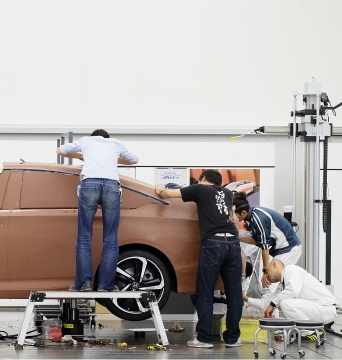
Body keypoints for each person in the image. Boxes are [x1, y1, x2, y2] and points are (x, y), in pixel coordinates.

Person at [155, 169, 242, 348]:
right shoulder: (227, 193)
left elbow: (168, 194)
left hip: (213, 243)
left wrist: (159, 188)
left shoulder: (200, 189)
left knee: (204, 292)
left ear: (203, 179)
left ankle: (204, 338)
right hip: (233, 243)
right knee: (234, 294)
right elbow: (231, 217)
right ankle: (233, 339)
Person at [56, 129, 138, 292]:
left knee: (84, 237)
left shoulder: (86, 141)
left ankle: (84, 283)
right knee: (110, 239)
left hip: (90, 184)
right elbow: (134, 160)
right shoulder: (116, 143)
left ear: (94, 137)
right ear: (107, 138)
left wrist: (83, 156)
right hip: (111, 186)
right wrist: (113, 158)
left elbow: (59, 150)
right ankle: (105, 286)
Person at [232, 192, 302, 288]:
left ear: (243, 212)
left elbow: (265, 247)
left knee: (269, 282)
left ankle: (271, 303)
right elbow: (257, 241)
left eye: (234, 215)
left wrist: (266, 271)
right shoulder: (253, 216)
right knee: (273, 285)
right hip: (282, 251)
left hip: (288, 249)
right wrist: (238, 237)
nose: (233, 218)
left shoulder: (258, 219)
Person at [261, 259, 337, 338]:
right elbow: (273, 299)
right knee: (281, 302)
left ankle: (309, 332)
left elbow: (293, 291)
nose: (265, 276)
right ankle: (305, 330)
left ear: (274, 265)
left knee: (284, 303)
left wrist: (272, 304)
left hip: (325, 308)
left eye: (266, 271)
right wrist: (263, 290)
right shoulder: (282, 284)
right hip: (317, 309)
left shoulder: (290, 269)